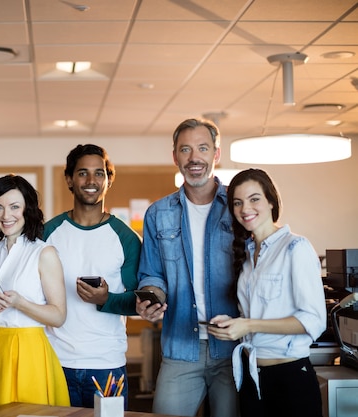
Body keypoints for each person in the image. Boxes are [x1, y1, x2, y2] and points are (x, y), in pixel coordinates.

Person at [135, 118, 240, 416]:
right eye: (185, 150)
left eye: (203, 148)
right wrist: (150, 297)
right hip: (181, 346)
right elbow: (152, 273)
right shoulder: (158, 213)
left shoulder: (237, 204)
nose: (194, 158)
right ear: (175, 157)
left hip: (233, 347)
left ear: (216, 155)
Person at [208, 168, 326, 417]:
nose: (245, 209)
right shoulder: (248, 254)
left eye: (254, 199)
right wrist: (233, 325)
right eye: (237, 203)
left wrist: (248, 325)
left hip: (290, 378)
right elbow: (262, 313)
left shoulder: (296, 248)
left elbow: (313, 321)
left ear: (271, 201)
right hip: (252, 377)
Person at [0, 174, 70, 417]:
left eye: (14, 207)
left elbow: (58, 316)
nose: (5, 215)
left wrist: (19, 302)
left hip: (30, 350)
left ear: (28, 209)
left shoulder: (44, 252)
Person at [43, 144, 141, 408]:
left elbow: (138, 303)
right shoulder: (47, 233)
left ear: (109, 180)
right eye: (83, 173)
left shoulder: (127, 238)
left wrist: (106, 299)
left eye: (99, 173)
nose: (91, 181)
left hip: (106, 365)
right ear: (69, 180)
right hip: (56, 362)